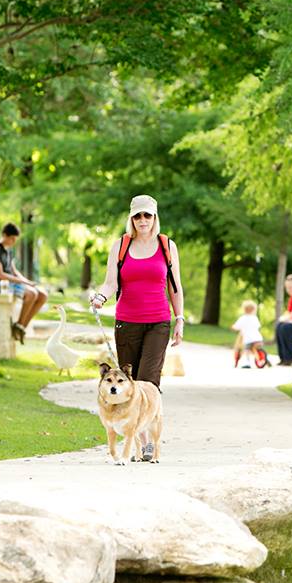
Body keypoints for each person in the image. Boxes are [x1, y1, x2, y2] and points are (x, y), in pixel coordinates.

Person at [91, 194, 184, 461]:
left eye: (147, 215)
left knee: (149, 381)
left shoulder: (167, 246)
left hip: (158, 322)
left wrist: (179, 319)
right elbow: (111, 282)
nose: (143, 220)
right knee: (129, 382)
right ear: (131, 218)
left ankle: (148, 442)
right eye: (138, 216)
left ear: (155, 217)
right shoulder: (121, 246)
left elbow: (175, 287)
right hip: (127, 322)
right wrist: (100, 297)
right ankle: (141, 442)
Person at [0, 222, 47, 344]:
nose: (13, 242)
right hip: (2, 284)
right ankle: (19, 325)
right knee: (32, 294)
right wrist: (20, 281)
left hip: (13, 283)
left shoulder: (9, 251)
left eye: (15, 239)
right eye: (12, 239)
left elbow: (14, 270)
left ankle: (21, 327)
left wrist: (26, 281)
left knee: (42, 295)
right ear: (4, 235)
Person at [232, 300, 264, 368]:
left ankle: (247, 363)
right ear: (254, 310)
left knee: (246, 350)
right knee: (257, 349)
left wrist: (233, 327)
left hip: (248, 339)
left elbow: (237, 326)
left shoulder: (243, 318)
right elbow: (258, 326)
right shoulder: (255, 318)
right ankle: (263, 359)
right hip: (258, 338)